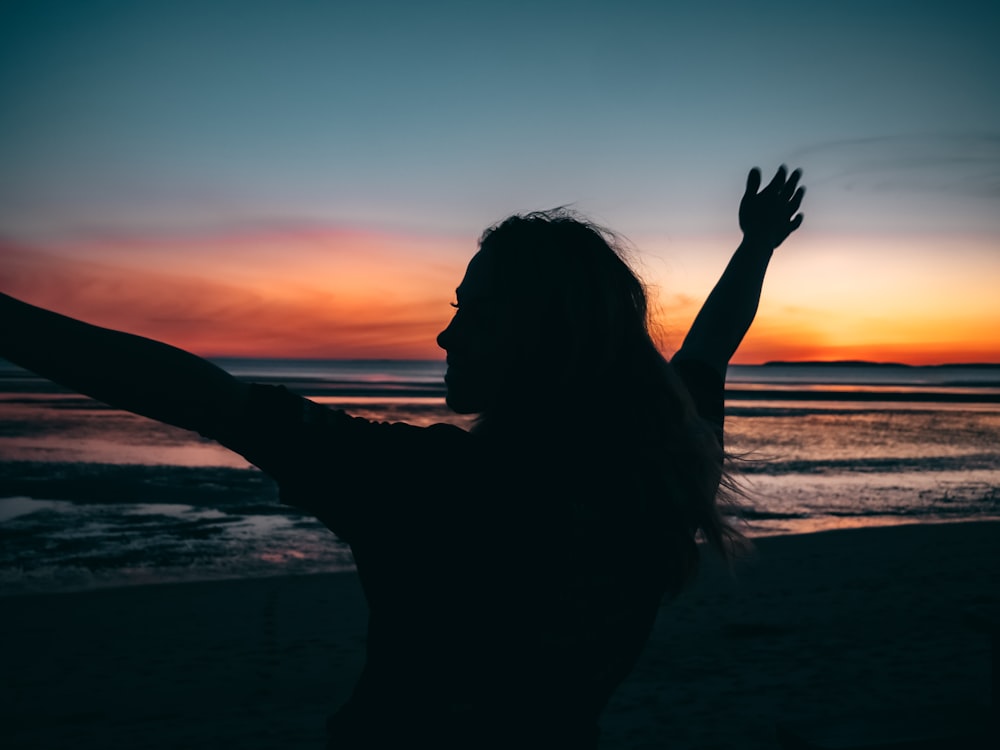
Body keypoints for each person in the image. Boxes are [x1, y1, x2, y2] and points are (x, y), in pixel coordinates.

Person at [0, 165, 804, 748]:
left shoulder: (438, 489)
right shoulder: (659, 467)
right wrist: (757, 246)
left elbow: (203, 397)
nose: (448, 334)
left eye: (474, 312)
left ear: (542, 335)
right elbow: (710, 350)